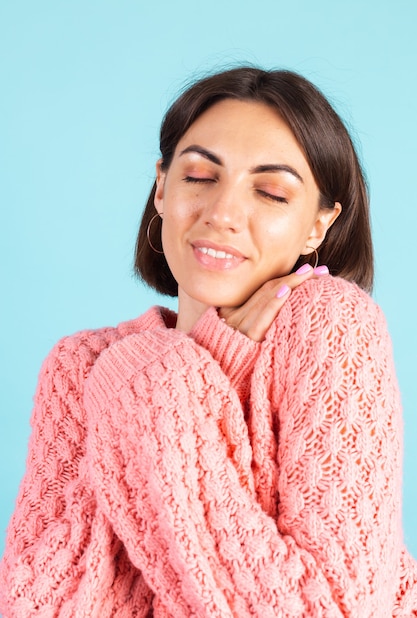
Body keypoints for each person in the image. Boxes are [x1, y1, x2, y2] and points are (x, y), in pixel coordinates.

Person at [1, 66, 416, 617]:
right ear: (161, 188)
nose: (222, 214)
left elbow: (336, 610)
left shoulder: (331, 324)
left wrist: (160, 386)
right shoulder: (86, 367)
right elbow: (32, 605)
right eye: (199, 176)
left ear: (318, 226)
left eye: (270, 192)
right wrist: (159, 371)